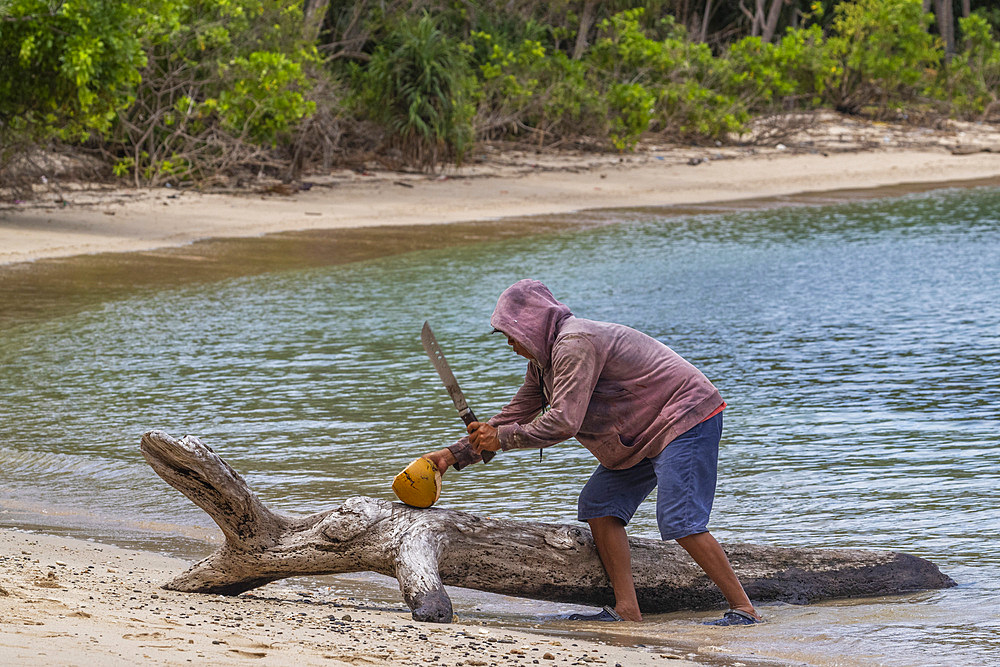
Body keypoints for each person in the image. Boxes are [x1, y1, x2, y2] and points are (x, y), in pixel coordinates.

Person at [421, 279, 761, 626]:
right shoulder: (544, 362)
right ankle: (627, 610)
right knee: (600, 505)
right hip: (639, 432)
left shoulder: (574, 343)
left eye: (512, 335)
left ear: (532, 324)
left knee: (680, 520)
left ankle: (744, 609)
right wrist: (452, 456)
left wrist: (502, 439)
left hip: (685, 416)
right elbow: (515, 414)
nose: (511, 345)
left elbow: (564, 422)